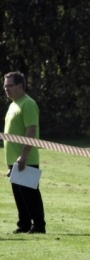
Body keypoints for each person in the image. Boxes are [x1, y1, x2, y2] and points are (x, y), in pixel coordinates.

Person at [3, 71, 46, 234]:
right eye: (4, 86)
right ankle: (24, 224)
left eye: (10, 86)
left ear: (20, 86)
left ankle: (39, 225)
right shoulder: (13, 104)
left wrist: (23, 155)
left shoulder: (28, 104)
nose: (6, 89)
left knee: (30, 194)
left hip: (26, 159)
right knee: (19, 195)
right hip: (14, 159)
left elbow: (31, 130)